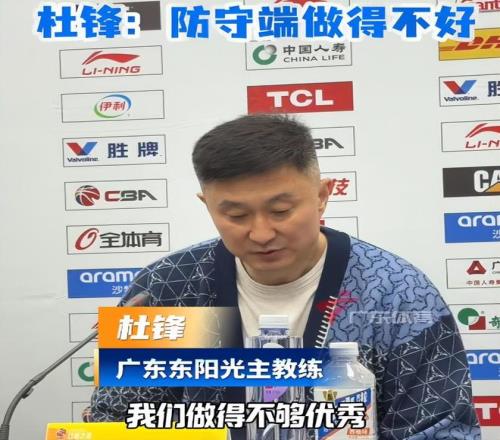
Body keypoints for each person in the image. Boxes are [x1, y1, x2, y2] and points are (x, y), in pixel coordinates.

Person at [89, 114, 481, 439]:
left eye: (280, 211)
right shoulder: (167, 287)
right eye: (236, 215)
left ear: (322, 196)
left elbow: (441, 430)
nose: (261, 233)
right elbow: (117, 421)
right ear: (207, 205)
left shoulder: (397, 293)